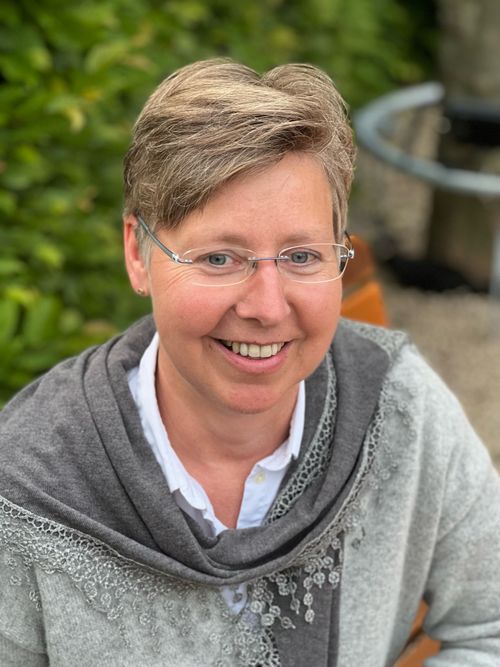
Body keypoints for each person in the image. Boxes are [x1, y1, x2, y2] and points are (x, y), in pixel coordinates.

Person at [1, 59, 499, 667]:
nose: (266, 308)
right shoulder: (26, 493)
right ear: (137, 252)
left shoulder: (399, 406)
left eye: (301, 256)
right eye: (219, 259)